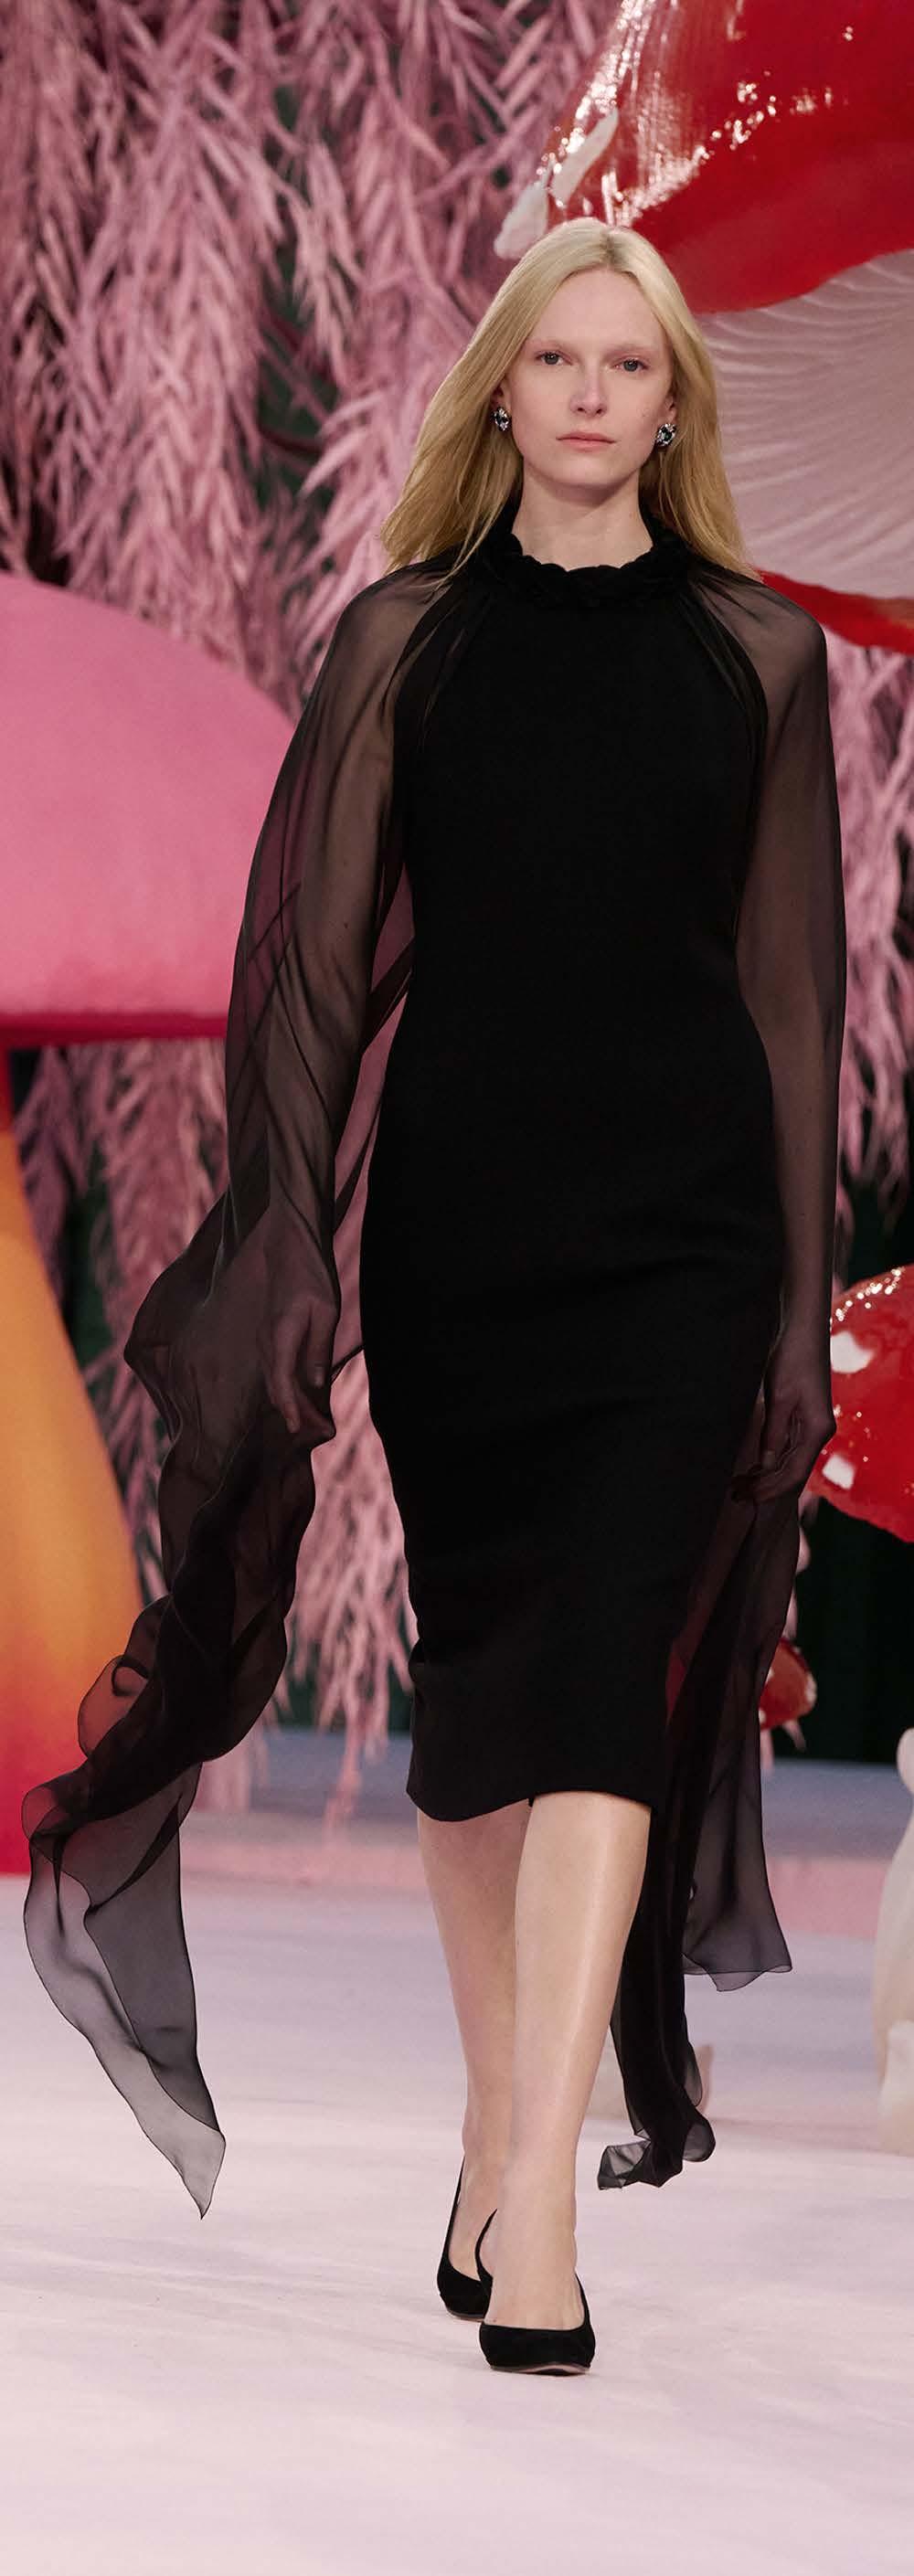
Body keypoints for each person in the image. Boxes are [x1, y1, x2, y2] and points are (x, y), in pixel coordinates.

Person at [22, 218, 845, 2379]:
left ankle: (539, 2204)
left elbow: (789, 1004)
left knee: (599, 1694)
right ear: (502, 387)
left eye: (625, 366)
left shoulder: (757, 656)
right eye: (553, 360)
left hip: (683, 1241)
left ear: (670, 407)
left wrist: (788, 1312)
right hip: (467, 1238)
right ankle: (497, 2135)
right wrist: (280, 1243)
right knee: (483, 1720)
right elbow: (305, 979)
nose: (587, 395)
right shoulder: (404, 640)